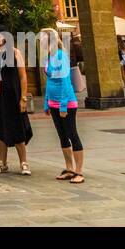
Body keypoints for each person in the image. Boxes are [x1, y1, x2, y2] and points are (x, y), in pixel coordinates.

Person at [0, 29, 32, 175]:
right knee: (0, 126)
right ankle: (3, 162)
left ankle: (24, 162)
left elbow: (23, 77)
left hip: (13, 95)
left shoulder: (15, 53)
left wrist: (23, 98)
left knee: (17, 126)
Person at [42, 28, 84, 184]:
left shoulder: (61, 56)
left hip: (66, 103)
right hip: (53, 102)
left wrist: (64, 106)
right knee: (62, 136)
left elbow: (66, 82)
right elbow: (50, 82)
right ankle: (69, 168)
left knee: (72, 134)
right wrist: (47, 102)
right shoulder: (49, 57)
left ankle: (79, 171)